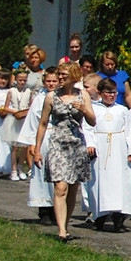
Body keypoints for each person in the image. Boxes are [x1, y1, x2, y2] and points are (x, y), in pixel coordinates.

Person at [33, 62, 97, 242]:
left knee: (72, 189)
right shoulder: (51, 97)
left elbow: (93, 121)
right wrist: (37, 149)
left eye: (64, 74)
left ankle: (65, 224)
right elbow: (43, 123)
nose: (60, 78)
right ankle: (61, 231)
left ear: (74, 75)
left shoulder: (82, 95)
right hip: (58, 144)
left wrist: (83, 109)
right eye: (59, 74)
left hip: (76, 145)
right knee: (60, 187)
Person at [85, 78, 131, 231]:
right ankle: (100, 216)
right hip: (100, 149)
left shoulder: (122, 110)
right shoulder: (93, 109)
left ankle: (119, 218)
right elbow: (88, 129)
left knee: (119, 183)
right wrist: (90, 144)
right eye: (108, 92)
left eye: (114, 92)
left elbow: (129, 130)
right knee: (100, 182)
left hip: (118, 148)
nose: (112, 95)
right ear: (100, 93)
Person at [24, 67, 59, 224]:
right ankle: (44, 209)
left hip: (59, 137)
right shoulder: (39, 98)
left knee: (58, 174)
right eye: (49, 81)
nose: (51, 84)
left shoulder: (63, 97)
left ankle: (56, 210)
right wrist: (32, 143)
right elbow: (33, 120)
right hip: (43, 137)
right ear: (44, 82)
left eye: (54, 81)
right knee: (41, 173)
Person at [4, 68, 34, 180]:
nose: (22, 82)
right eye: (20, 80)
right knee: (15, 147)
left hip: (24, 119)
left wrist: (25, 112)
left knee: (25, 146)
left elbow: (31, 106)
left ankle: (21, 167)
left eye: (24, 80)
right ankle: (13, 169)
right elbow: (6, 107)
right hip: (13, 119)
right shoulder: (11, 91)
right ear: (16, 79)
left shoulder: (29, 91)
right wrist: (15, 111)